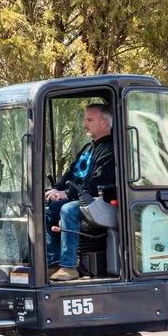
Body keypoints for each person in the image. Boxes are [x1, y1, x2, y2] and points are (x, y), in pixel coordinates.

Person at [45, 102, 115, 281]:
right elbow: (70, 173)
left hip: (99, 201)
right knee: (43, 210)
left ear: (104, 123)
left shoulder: (111, 149)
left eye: (90, 120)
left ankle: (69, 267)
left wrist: (67, 194)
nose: (85, 125)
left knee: (68, 210)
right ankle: (54, 262)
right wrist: (57, 189)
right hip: (80, 196)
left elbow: (96, 182)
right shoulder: (88, 148)